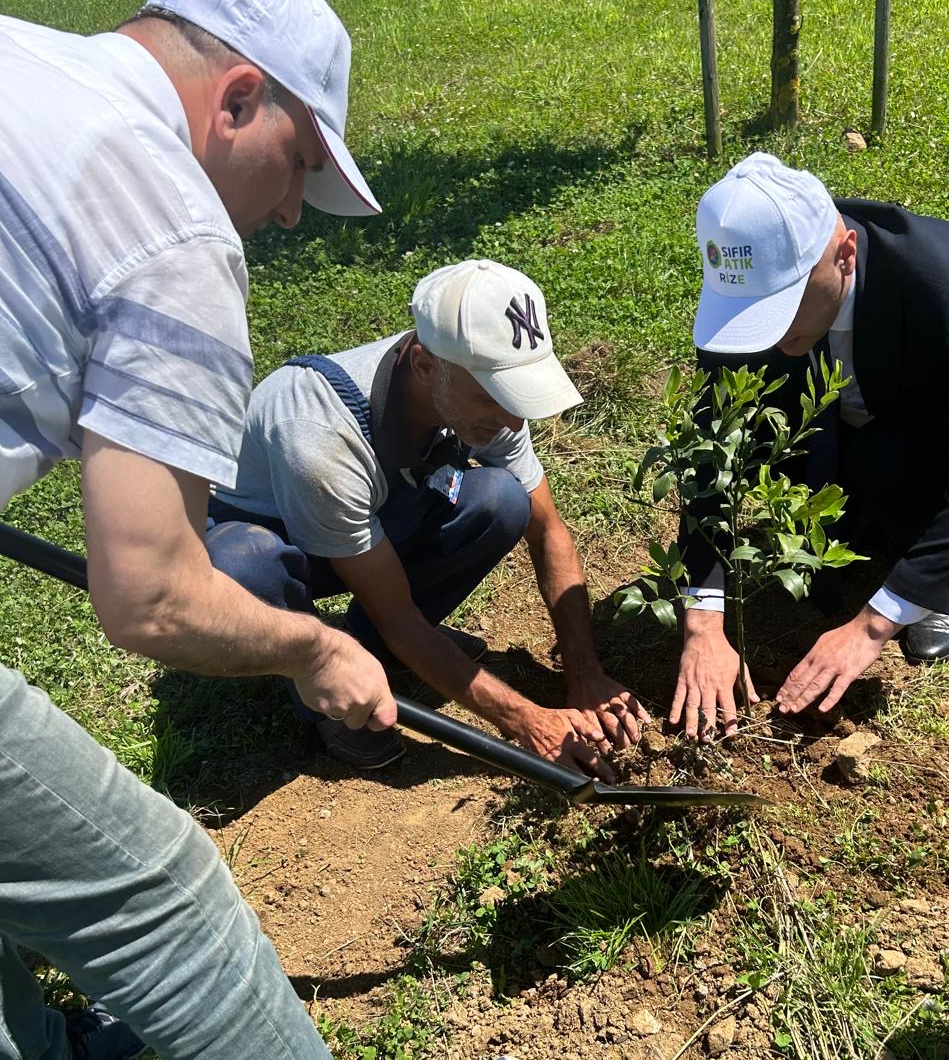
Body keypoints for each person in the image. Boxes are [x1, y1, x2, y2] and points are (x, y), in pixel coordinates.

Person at [0, 0, 536, 1060]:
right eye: (298, 169)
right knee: (153, 884)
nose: (290, 217)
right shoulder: (167, 217)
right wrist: (313, 644)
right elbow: (150, 590)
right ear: (238, 96)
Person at [671, 152, 949, 736]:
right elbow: (714, 453)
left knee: (918, 485)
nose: (768, 336)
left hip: (945, 410)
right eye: (751, 316)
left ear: (845, 254)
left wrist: (873, 626)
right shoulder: (742, 308)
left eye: (780, 309)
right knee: (852, 488)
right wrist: (703, 623)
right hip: (845, 406)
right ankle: (869, 511)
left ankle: (936, 580)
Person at [207, 258, 649, 772]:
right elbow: (399, 617)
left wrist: (584, 671)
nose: (512, 418)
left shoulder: (473, 381)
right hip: (274, 535)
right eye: (495, 396)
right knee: (244, 565)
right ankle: (330, 697)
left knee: (504, 500)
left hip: (364, 515)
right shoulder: (320, 435)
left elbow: (547, 528)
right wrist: (525, 719)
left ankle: (372, 650)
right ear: (422, 365)